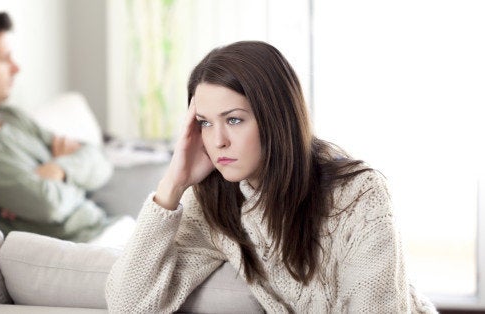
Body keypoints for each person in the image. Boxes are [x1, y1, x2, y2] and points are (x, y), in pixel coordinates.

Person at [105, 41, 437, 313]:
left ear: (275, 118)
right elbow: (128, 303)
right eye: (205, 122)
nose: (218, 140)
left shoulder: (360, 194)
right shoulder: (214, 200)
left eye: (233, 120)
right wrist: (172, 185)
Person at [0, 11, 117, 243]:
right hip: (82, 246)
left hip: (108, 228)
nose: (16, 68)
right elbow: (46, 204)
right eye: (4, 59)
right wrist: (78, 182)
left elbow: (101, 161)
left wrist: (59, 171)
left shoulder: (12, 116)